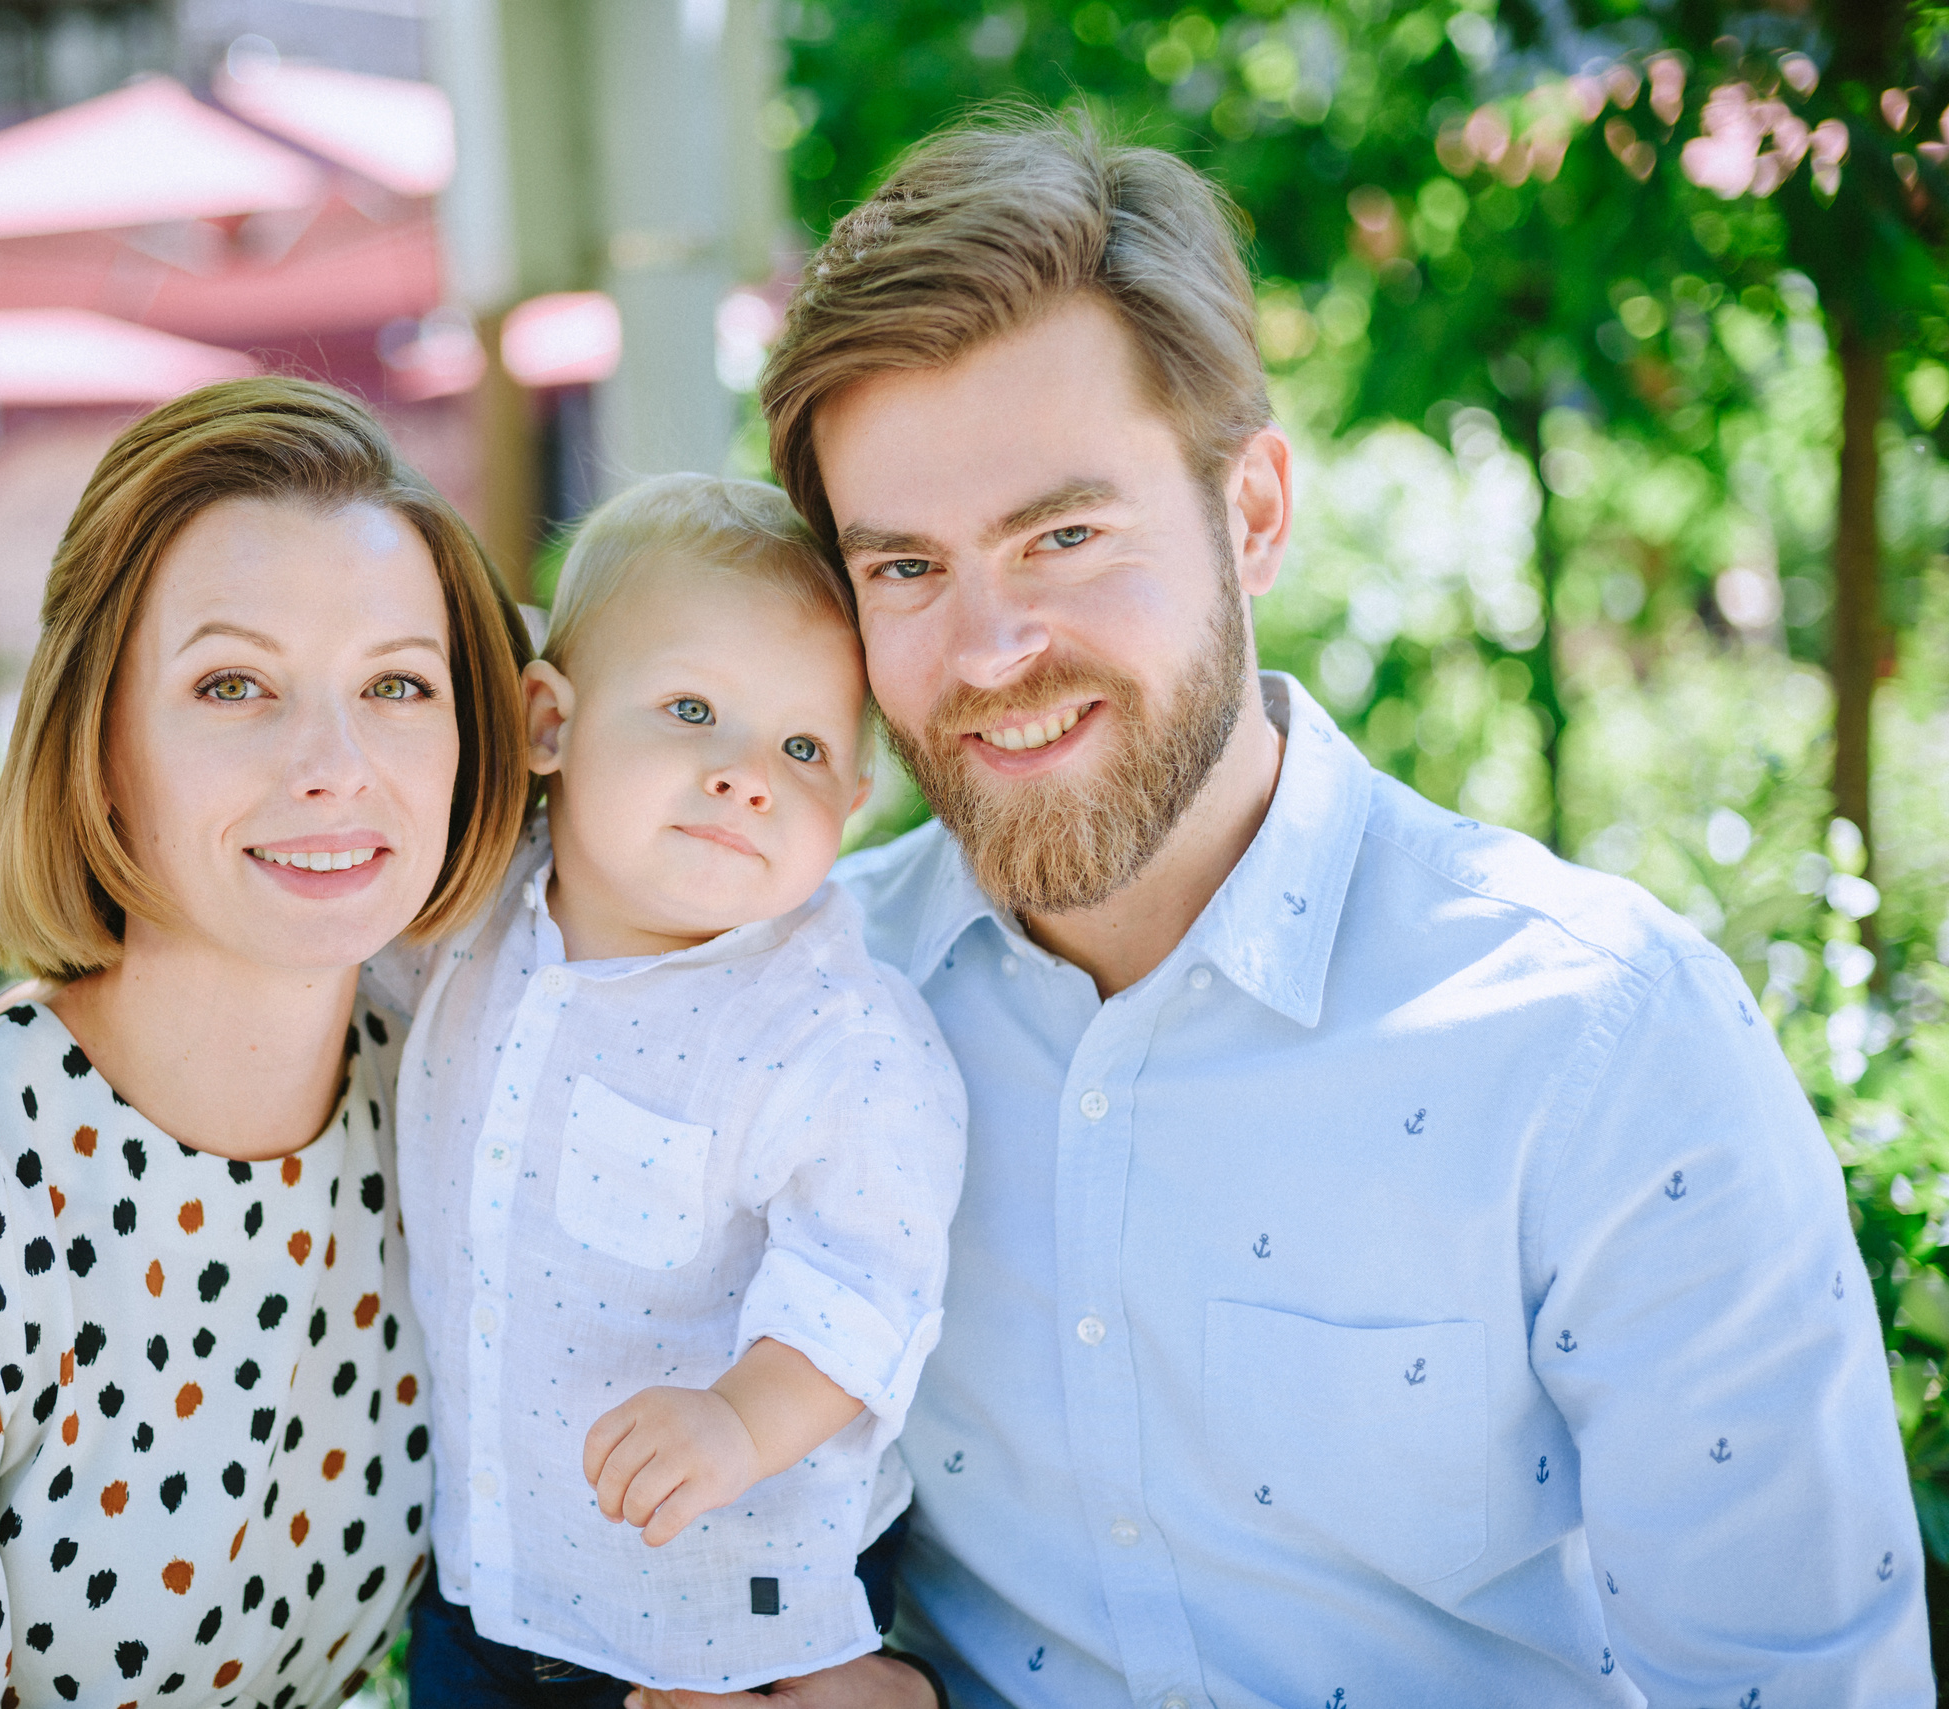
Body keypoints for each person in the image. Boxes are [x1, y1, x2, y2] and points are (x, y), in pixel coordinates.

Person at [644, 113, 1926, 1708]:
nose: (986, 650)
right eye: (905, 567)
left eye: (1064, 535)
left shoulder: (1601, 1045)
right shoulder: (794, 1007)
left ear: (1250, 514)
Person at [0, 378, 534, 1709]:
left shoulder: (450, 1109)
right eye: (233, 684)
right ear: (101, 745)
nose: (335, 762)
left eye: (398, 683)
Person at [385, 475, 967, 1704]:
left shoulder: (833, 1034)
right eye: (692, 708)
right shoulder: (476, 924)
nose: (748, 774)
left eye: (803, 746)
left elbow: (866, 1288)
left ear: (851, 806)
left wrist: (739, 1422)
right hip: (493, 1574)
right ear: (548, 722)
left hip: (731, 1618)